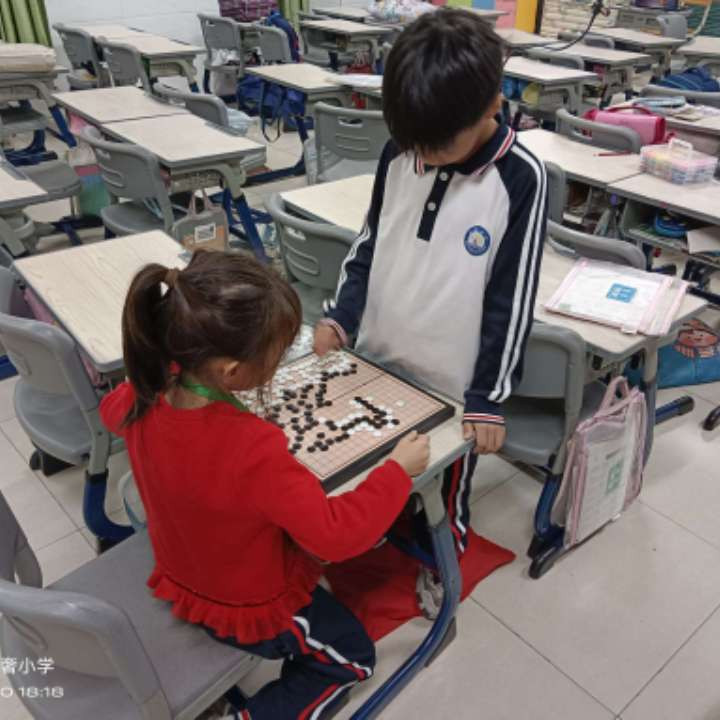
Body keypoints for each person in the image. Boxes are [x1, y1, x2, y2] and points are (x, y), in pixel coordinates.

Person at [100, 250, 430, 720]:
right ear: (232, 372)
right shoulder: (253, 448)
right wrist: (397, 471)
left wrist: (163, 367)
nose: (278, 362)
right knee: (353, 657)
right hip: (248, 605)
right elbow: (336, 536)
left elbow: (110, 410)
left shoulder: (143, 394)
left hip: (182, 569)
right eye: (276, 353)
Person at [314, 9, 547, 586]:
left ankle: (444, 559)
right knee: (370, 468)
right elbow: (371, 241)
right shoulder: (402, 151)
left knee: (443, 493)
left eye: (438, 144)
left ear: (492, 103)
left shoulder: (521, 178)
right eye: (414, 141)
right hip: (376, 357)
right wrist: (341, 318)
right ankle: (380, 529)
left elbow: (512, 297)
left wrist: (488, 396)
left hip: (450, 384)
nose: (424, 155)